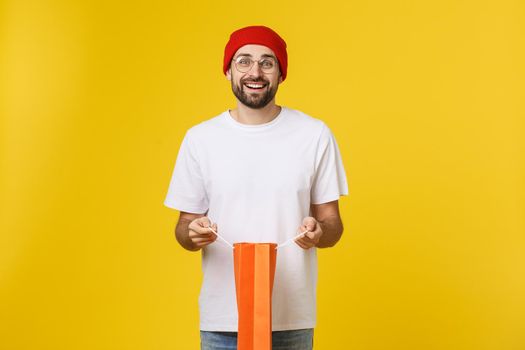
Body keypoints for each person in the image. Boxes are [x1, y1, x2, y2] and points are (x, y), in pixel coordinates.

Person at [164, 25, 349, 350]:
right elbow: (182, 228)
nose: (255, 72)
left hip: (291, 319)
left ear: (280, 73)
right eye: (244, 61)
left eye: (267, 62)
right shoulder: (200, 139)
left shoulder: (314, 134)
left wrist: (318, 230)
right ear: (228, 70)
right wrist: (192, 232)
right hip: (222, 321)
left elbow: (332, 223)